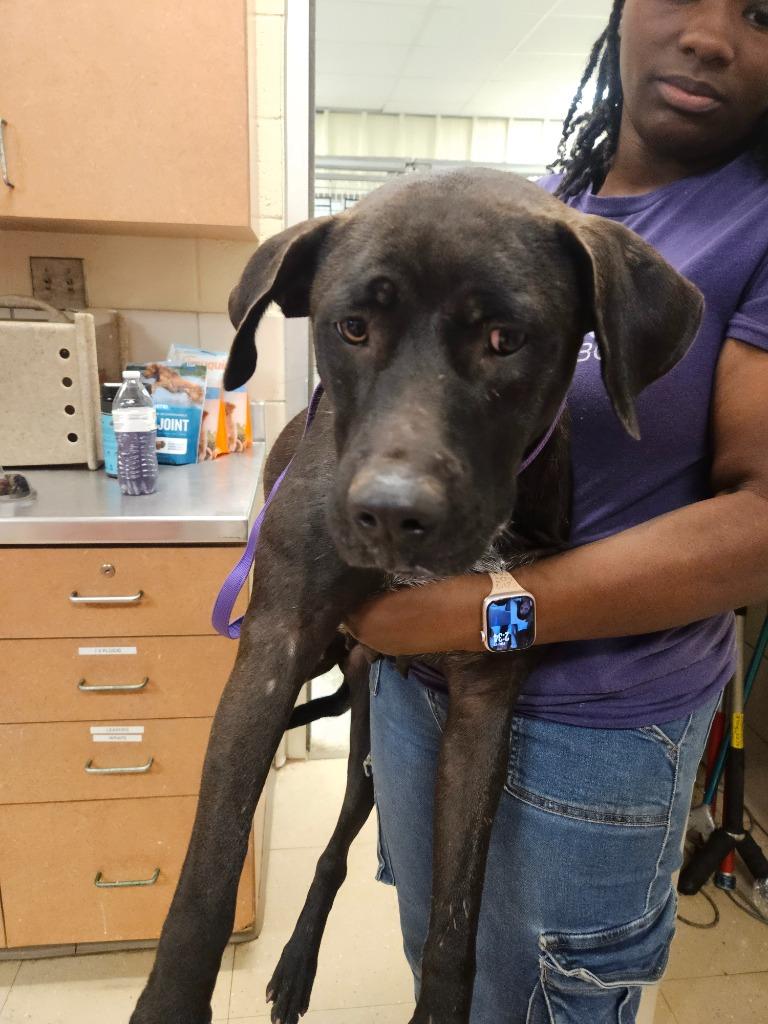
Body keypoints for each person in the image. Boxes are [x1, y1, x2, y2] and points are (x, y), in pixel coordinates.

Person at [345, 1, 768, 1020]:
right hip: (420, 692)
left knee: (537, 1004)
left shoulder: (753, 223)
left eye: (761, 13)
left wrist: (478, 612)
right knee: (442, 976)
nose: (711, 37)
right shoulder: (537, 206)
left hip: (588, 731)